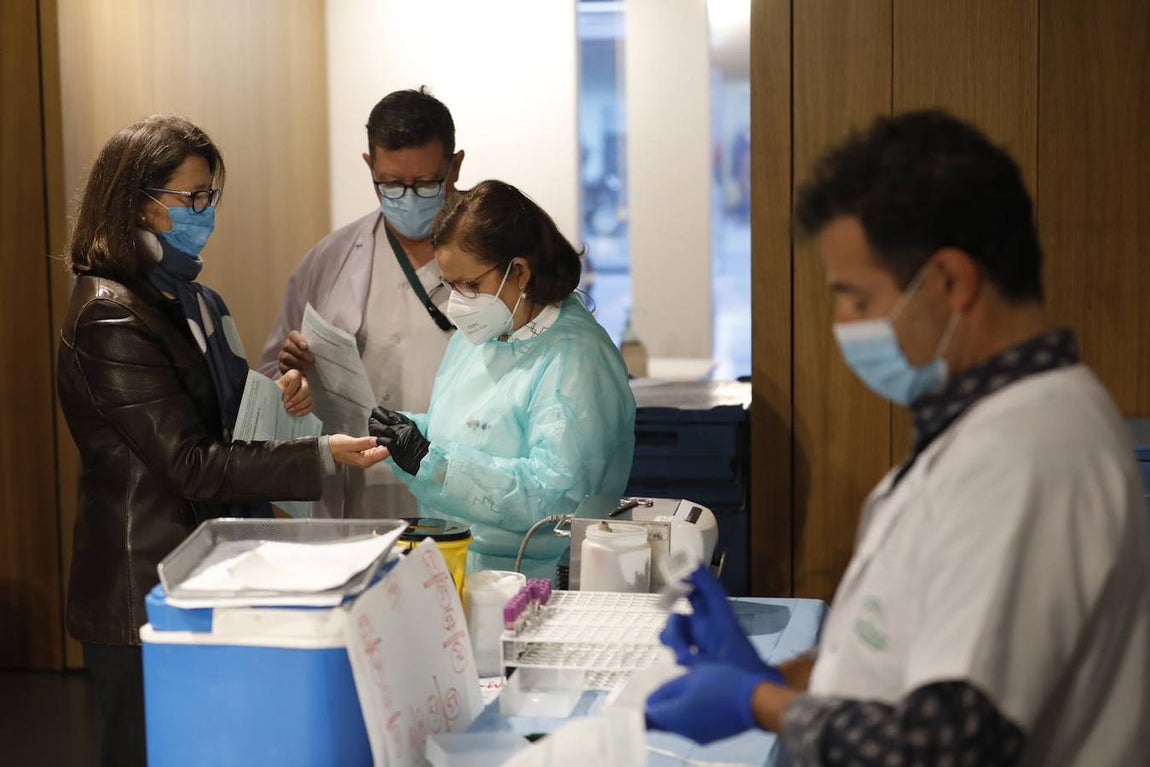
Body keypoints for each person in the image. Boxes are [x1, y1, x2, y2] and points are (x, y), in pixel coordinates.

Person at [644, 110, 1150, 765]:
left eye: (857, 298)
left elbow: (949, 743)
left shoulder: (1029, 452)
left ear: (949, 281)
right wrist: (777, 677)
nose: (843, 323)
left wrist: (758, 703)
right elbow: (905, 658)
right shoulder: (985, 429)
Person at [56, 115, 387, 767]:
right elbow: (188, 461)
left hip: (205, 568)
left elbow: (226, 415)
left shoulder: (191, 299)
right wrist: (317, 455)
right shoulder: (110, 311)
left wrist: (282, 395)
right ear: (138, 201)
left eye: (212, 196)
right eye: (193, 198)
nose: (206, 213)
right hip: (142, 587)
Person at [367, 180, 636, 580]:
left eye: (471, 285)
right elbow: (471, 430)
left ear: (520, 271)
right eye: (450, 286)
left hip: (539, 580)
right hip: (461, 565)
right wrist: (408, 435)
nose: (459, 302)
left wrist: (432, 461)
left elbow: (556, 496)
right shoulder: (483, 336)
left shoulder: (575, 360)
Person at [258, 87, 463, 520]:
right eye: (390, 183)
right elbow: (272, 382)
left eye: (426, 183)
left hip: (464, 486)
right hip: (362, 493)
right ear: (369, 166)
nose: (408, 197)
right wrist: (293, 375)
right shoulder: (328, 261)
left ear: (455, 166)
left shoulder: (498, 254)